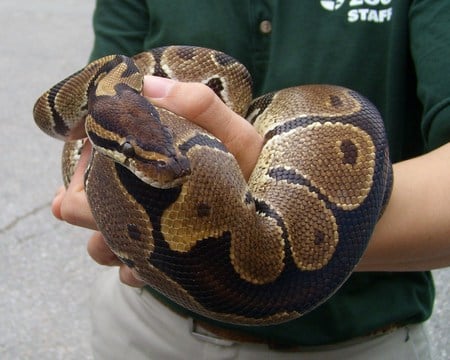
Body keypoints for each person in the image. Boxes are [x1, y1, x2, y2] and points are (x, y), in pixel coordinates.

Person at [52, 1, 450, 359]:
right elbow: (97, 115)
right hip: (143, 328)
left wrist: (186, 249)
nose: (169, 168)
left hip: (357, 342)